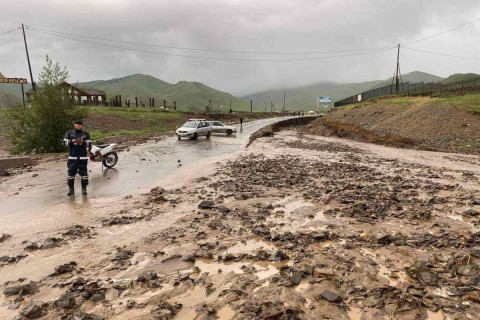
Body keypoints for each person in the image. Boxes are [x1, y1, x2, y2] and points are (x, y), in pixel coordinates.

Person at [63, 120, 91, 195]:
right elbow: (64, 143)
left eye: (81, 125)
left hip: (83, 157)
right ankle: (71, 190)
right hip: (72, 157)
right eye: (78, 125)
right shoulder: (69, 133)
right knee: (71, 174)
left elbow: (89, 144)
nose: (80, 126)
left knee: (84, 174)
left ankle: (84, 189)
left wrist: (83, 142)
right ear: (74, 125)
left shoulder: (85, 134)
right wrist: (72, 141)